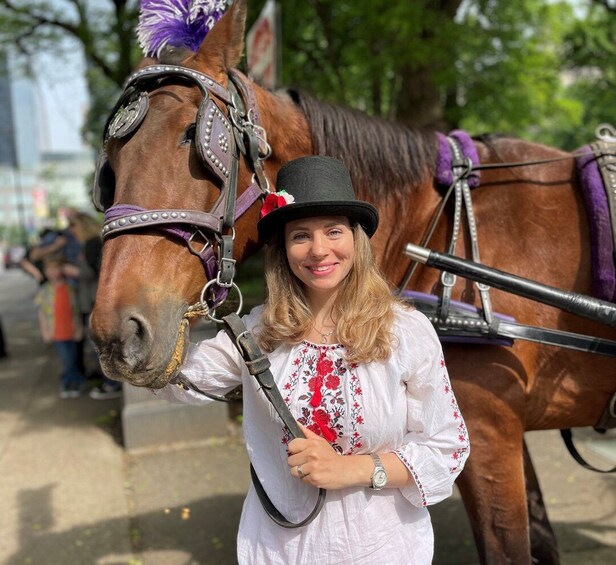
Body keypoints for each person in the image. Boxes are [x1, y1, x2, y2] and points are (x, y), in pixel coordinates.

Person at [152, 156, 470, 564]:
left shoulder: (405, 331)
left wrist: (352, 469)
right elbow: (176, 380)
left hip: (383, 546)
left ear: (356, 239)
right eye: (300, 235)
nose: (319, 250)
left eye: (334, 231)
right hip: (279, 548)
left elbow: (447, 446)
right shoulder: (257, 332)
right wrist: (145, 313)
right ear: (284, 249)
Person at [64, 212, 122, 400]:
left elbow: (94, 273)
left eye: (73, 227)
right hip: (92, 302)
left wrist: (72, 270)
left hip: (93, 302)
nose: (71, 232)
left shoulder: (91, 245)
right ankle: (111, 381)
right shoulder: (93, 244)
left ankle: (113, 383)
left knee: (101, 346)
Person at [35, 254, 86, 399]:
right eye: (49, 269)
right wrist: (45, 331)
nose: (52, 272)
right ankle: (68, 382)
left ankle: (74, 381)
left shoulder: (71, 288)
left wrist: (79, 328)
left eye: (55, 268)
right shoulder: (44, 290)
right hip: (56, 333)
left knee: (74, 357)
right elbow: (42, 314)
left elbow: (76, 311)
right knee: (66, 359)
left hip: (71, 330)